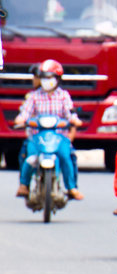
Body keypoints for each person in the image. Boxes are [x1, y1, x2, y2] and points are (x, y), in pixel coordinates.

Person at [14, 59, 84, 200]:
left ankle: (71, 187)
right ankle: (24, 185)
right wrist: (21, 119)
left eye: (50, 77)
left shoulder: (63, 96)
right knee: (30, 158)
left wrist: (74, 120)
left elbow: (70, 113)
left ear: (57, 79)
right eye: (44, 77)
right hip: (38, 136)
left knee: (66, 157)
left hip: (59, 137)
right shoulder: (34, 96)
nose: (46, 81)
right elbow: (24, 114)